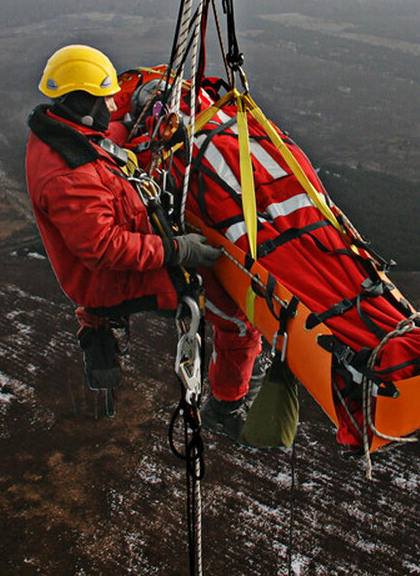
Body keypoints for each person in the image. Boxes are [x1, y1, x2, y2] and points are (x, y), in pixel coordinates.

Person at [24, 44, 261, 438]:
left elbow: (103, 142)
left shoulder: (62, 132)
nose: (108, 105)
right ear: (82, 104)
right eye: (102, 99)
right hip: (114, 278)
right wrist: (177, 250)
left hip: (121, 250)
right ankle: (227, 405)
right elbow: (104, 249)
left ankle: (101, 325)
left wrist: (136, 116)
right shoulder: (68, 176)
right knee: (240, 321)